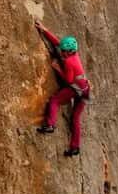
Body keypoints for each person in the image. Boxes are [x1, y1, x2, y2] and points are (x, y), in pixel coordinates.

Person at [34, 20, 90, 157]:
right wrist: (44, 29)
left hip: (75, 89)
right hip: (86, 89)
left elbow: (69, 81)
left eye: (64, 52)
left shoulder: (70, 62)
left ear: (70, 51)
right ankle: (75, 147)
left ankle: (50, 125)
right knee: (75, 118)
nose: (62, 53)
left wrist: (58, 68)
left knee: (54, 101)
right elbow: (58, 43)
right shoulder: (73, 54)